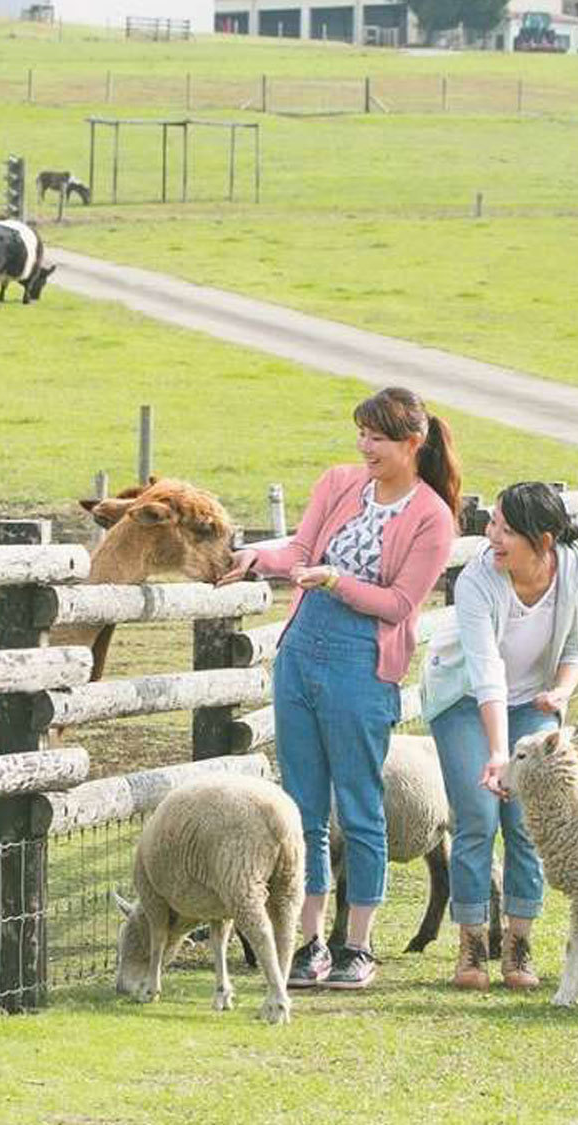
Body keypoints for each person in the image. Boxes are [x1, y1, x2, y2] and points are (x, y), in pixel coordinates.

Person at [217, 386, 459, 990]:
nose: (364, 447)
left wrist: (336, 581)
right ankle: (311, 941)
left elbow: (401, 603)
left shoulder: (432, 517)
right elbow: (299, 549)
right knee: (303, 806)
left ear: (412, 443)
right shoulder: (337, 483)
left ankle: (358, 945)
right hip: (301, 653)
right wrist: (258, 558)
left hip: (362, 664)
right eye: (361, 434)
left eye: (376, 437)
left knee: (359, 806)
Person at [420, 481, 578, 990]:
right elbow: (484, 672)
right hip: (462, 700)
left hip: (535, 702)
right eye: (492, 523)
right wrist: (498, 754)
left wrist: (561, 693)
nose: (491, 535)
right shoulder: (480, 577)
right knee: (477, 815)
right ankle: (472, 948)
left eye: (504, 529)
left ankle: (519, 949)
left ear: (543, 540)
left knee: (526, 819)